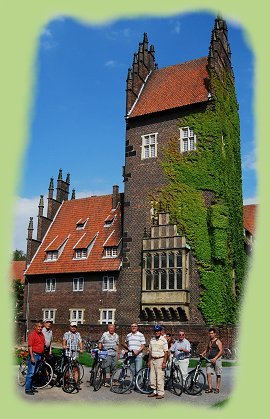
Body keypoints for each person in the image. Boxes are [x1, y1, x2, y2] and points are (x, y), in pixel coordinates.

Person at [147, 324, 168, 399]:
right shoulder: (152, 340)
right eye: (155, 331)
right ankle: (154, 391)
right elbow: (150, 351)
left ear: (160, 331)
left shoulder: (163, 340)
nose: (157, 332)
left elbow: (166, 352)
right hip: (153, 359)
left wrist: (164, 362)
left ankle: (161, 392)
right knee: (152, 376)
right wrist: (149, 361)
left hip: (160, 359)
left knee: (160, 376)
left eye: (158, 331)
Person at [25, 320, 45, 395]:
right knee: (31, 373)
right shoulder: (32, 335)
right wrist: (32, 357)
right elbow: (30, 346)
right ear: (35, 327)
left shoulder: (41, 334)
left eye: (41, 327)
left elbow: (42, 344)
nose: (40, 328)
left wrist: (42, 356)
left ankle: (31, 387)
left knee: (35, 372)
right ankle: (27, 389)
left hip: (40, 356)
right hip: (34, 355)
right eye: (39, 327)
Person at [201, 327, 223, 394]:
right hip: (209, 359)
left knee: (218, 374)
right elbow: (207, 349)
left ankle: (217, 388)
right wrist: (203, 353)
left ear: (215, 334)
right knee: (208, 373)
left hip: (217, 359)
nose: (211, 335)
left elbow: (221, 351)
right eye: (210, 333)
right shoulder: (209, 341)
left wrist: (215, 358)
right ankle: (210, 388)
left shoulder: (218, 341)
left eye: (212, 333)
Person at [62, 321, 83, 388]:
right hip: (68, 354)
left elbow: (80, 342)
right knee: (67, 369)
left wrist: (81, 348)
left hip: (75, 354)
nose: (74, 328)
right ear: (70, 327)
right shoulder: (67, 334)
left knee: (75, 369)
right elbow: (64, 341)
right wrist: (64, 345)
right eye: (72, 326)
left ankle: (76, 383)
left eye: (75, 327)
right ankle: (66, 383)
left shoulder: (78, 334)